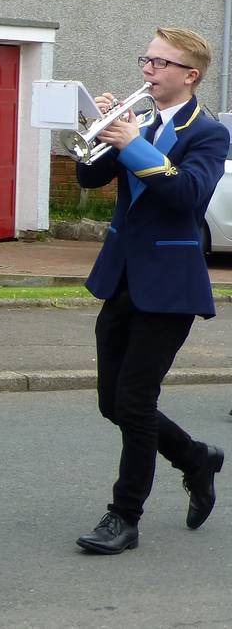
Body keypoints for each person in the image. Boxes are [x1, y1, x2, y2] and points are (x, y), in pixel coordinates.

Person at [73, 27, 228, 555]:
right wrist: (98, 132)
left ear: (190, 75)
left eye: (160, 64)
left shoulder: (206, 132)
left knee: (136, 402)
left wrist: (133, 144)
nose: (147, 71)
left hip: (169, 286)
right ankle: (195, 457)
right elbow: (88, 181)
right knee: (111, 403)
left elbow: (187, 194)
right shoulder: (134, 121)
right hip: (120, 276)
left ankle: (125, 515)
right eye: (146, 60)